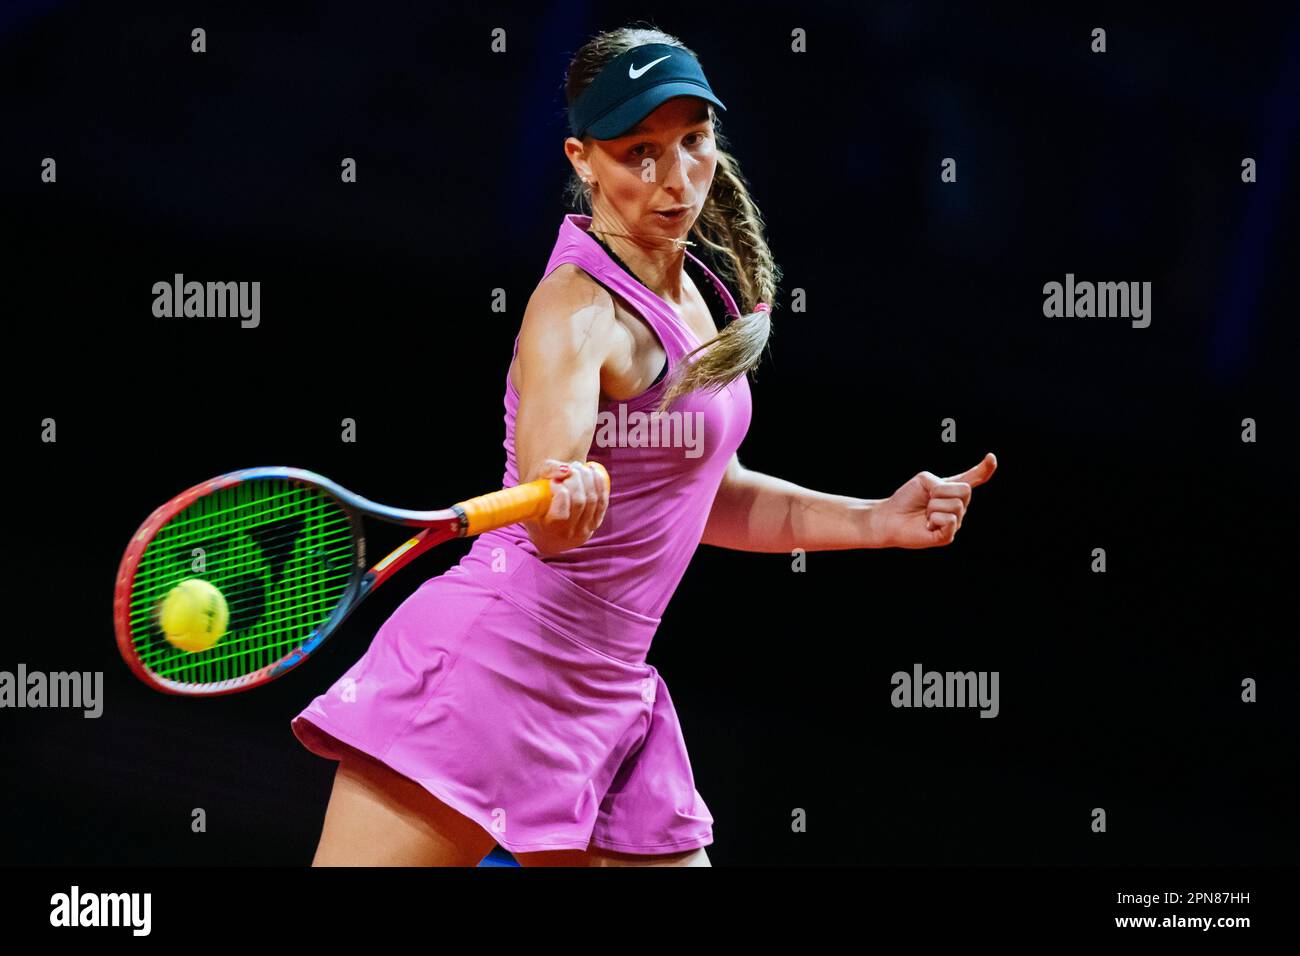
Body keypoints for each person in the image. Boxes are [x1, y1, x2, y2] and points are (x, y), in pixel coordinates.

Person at [291, 25, 997, 868]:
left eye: (691, 142)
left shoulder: (702, 292)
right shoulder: (577, 311)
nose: (675, 177)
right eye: (639, 152)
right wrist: (564, 496)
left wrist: (875, 521)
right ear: (583, 159)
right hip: (494, 670)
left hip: (611, 692)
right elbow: (552, 518)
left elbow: (708, 496)